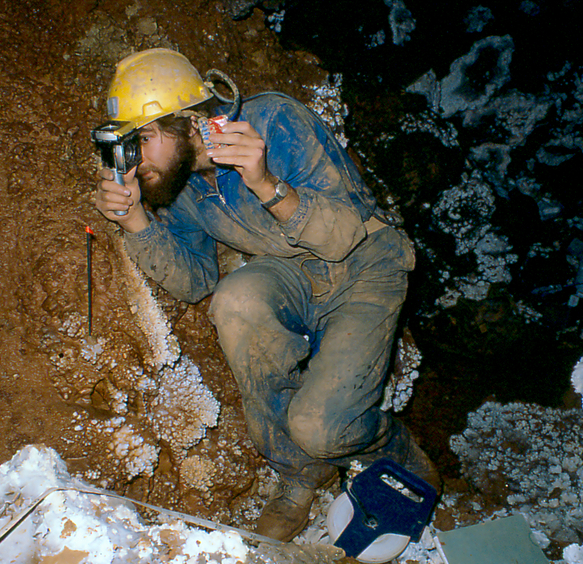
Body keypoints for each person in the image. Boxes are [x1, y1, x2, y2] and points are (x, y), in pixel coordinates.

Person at [94, 48, 439, 542]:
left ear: (190, 123)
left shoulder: (276, 122)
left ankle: (391, 445)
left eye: (144, 138)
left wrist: (265, 184)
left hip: (366, 266)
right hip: (294, 274)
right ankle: (301, 473)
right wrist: (136, 221)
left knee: (322, 428)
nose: (137, 158)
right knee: (235, 300)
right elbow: (197, 281)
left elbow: (343, 236)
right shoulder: (180, 185)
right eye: (130, 143)